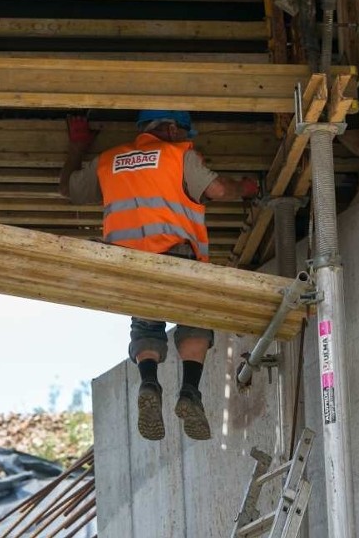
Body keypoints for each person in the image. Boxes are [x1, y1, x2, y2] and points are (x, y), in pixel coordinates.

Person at [59, 110, 259, 441]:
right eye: (185, 133)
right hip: (175, 255)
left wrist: (78, 146)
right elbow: (220, 191)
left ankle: (149, 382)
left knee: (146, 324)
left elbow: (67, 190)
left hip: (127, 262)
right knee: (194, 320)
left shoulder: (108, 160)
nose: (188, 139)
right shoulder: (179, 154)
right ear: (169, 128)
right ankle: (189, 391)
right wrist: (247, 188)